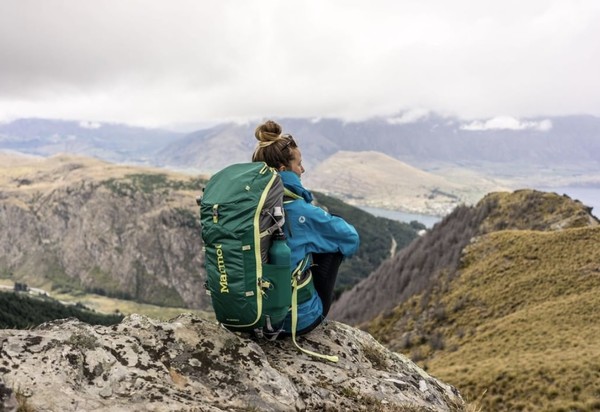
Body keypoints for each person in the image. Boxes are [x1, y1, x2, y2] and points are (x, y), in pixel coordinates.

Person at [252, 120, 360, 335]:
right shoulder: (300, 210)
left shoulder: (246, 205)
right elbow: (350, 238)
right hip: (293, 321)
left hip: (249, 315)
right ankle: (303, 305)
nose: (303, 169)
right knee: (332, 239)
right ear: (284, 170)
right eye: (299, 164)